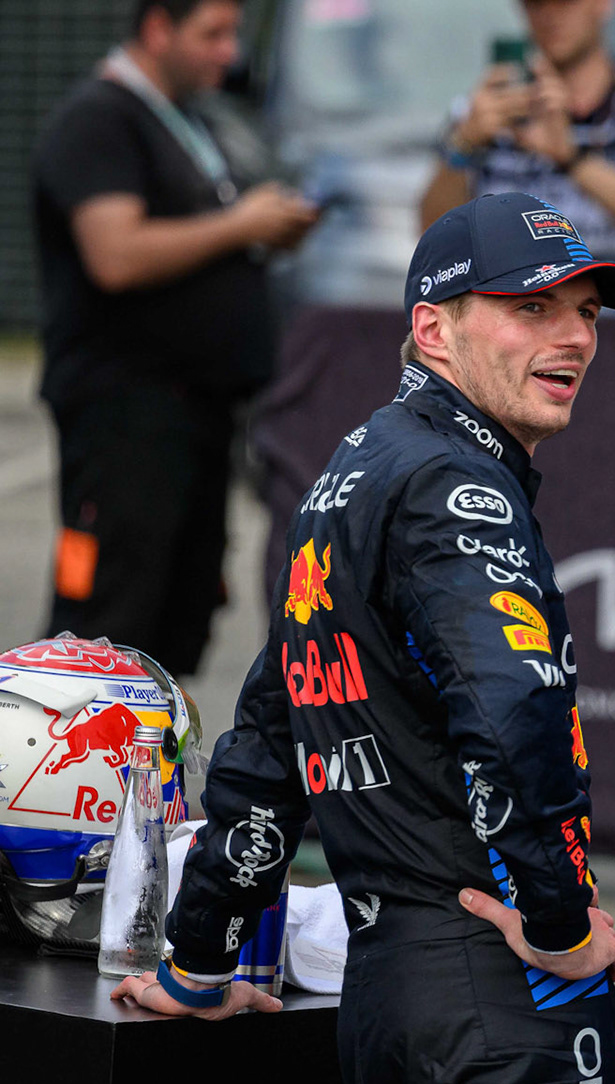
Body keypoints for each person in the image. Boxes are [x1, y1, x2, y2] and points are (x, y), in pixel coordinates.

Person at [110, 192, 615, 1084]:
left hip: (391, 1008)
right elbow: (512, 712)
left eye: (586, 311)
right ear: (432, 329)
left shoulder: (350, 472)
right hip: (500, 991)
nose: (575, 337)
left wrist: (201, 958)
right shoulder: (456, 483)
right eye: (532, 307)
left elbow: (268, 745)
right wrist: (557, 924)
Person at [31, 0, 319, 677]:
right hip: (127, 419)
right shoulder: (98, 118)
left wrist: (264, 232)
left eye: (233, 34)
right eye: (212, 34)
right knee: (105, 627)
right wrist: (241, 224)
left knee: (176, 620)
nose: (229, 52)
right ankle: (69, 748)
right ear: (158, 28)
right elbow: (116, 255)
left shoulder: (185, 116)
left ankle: (152, 747)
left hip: (195, 416)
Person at [420, 0, 615, 311]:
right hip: (511, 315)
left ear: (603, 4)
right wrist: (464, 146)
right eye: (536, 4)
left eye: (565, 3)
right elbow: (433, 236)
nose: (550, 16)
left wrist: (571, 158)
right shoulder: (480, 114)